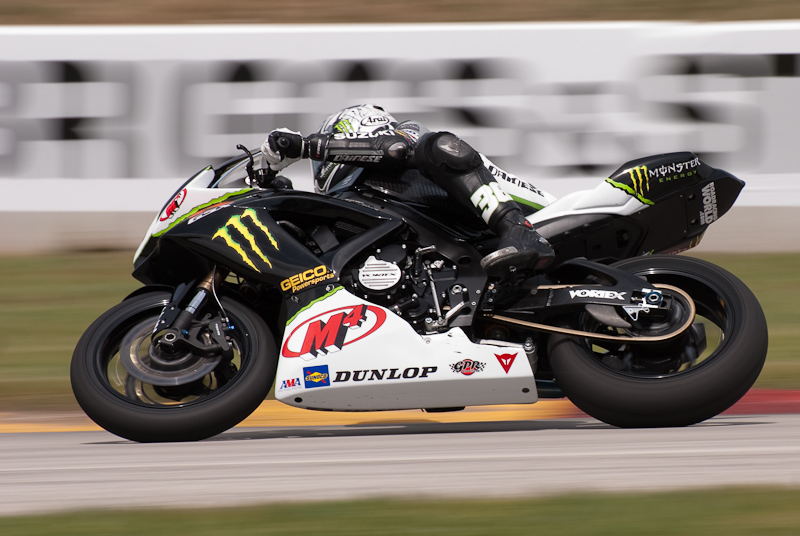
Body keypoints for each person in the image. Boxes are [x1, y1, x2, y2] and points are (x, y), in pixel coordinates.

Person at [260, 104, 554, 277]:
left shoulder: (407, 137)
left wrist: (307, 146)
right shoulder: (374, 199)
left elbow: (396, 149)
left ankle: (517, 229)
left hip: (545, 217)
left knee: (437, 146)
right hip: (475, 247)